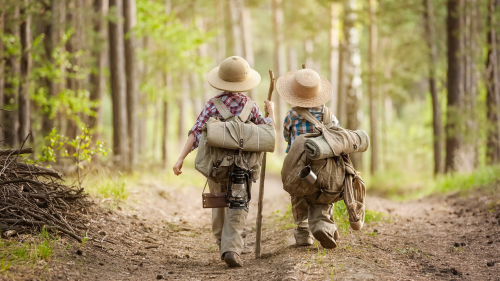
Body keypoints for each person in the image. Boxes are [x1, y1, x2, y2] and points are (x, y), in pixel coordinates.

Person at [173, 56, 276, 267]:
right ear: (244, 82)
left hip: (216, 166)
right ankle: (231, 249)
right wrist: (271, 112)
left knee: (218, 203)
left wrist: (180, 158)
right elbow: (268, 134)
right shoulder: (252, 107)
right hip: (242, 167)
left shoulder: (213, 105)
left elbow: (195, 133)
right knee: (238, 206)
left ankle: (222, 242)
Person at [276, 67, 340, 248]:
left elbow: (287, 138)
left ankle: (303, 232)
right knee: (324, 194)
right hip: (325, 165)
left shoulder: (292, 115)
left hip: (300, 165)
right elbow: (336, 136)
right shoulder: (329, 115)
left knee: (299, 195)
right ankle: (322, 224)